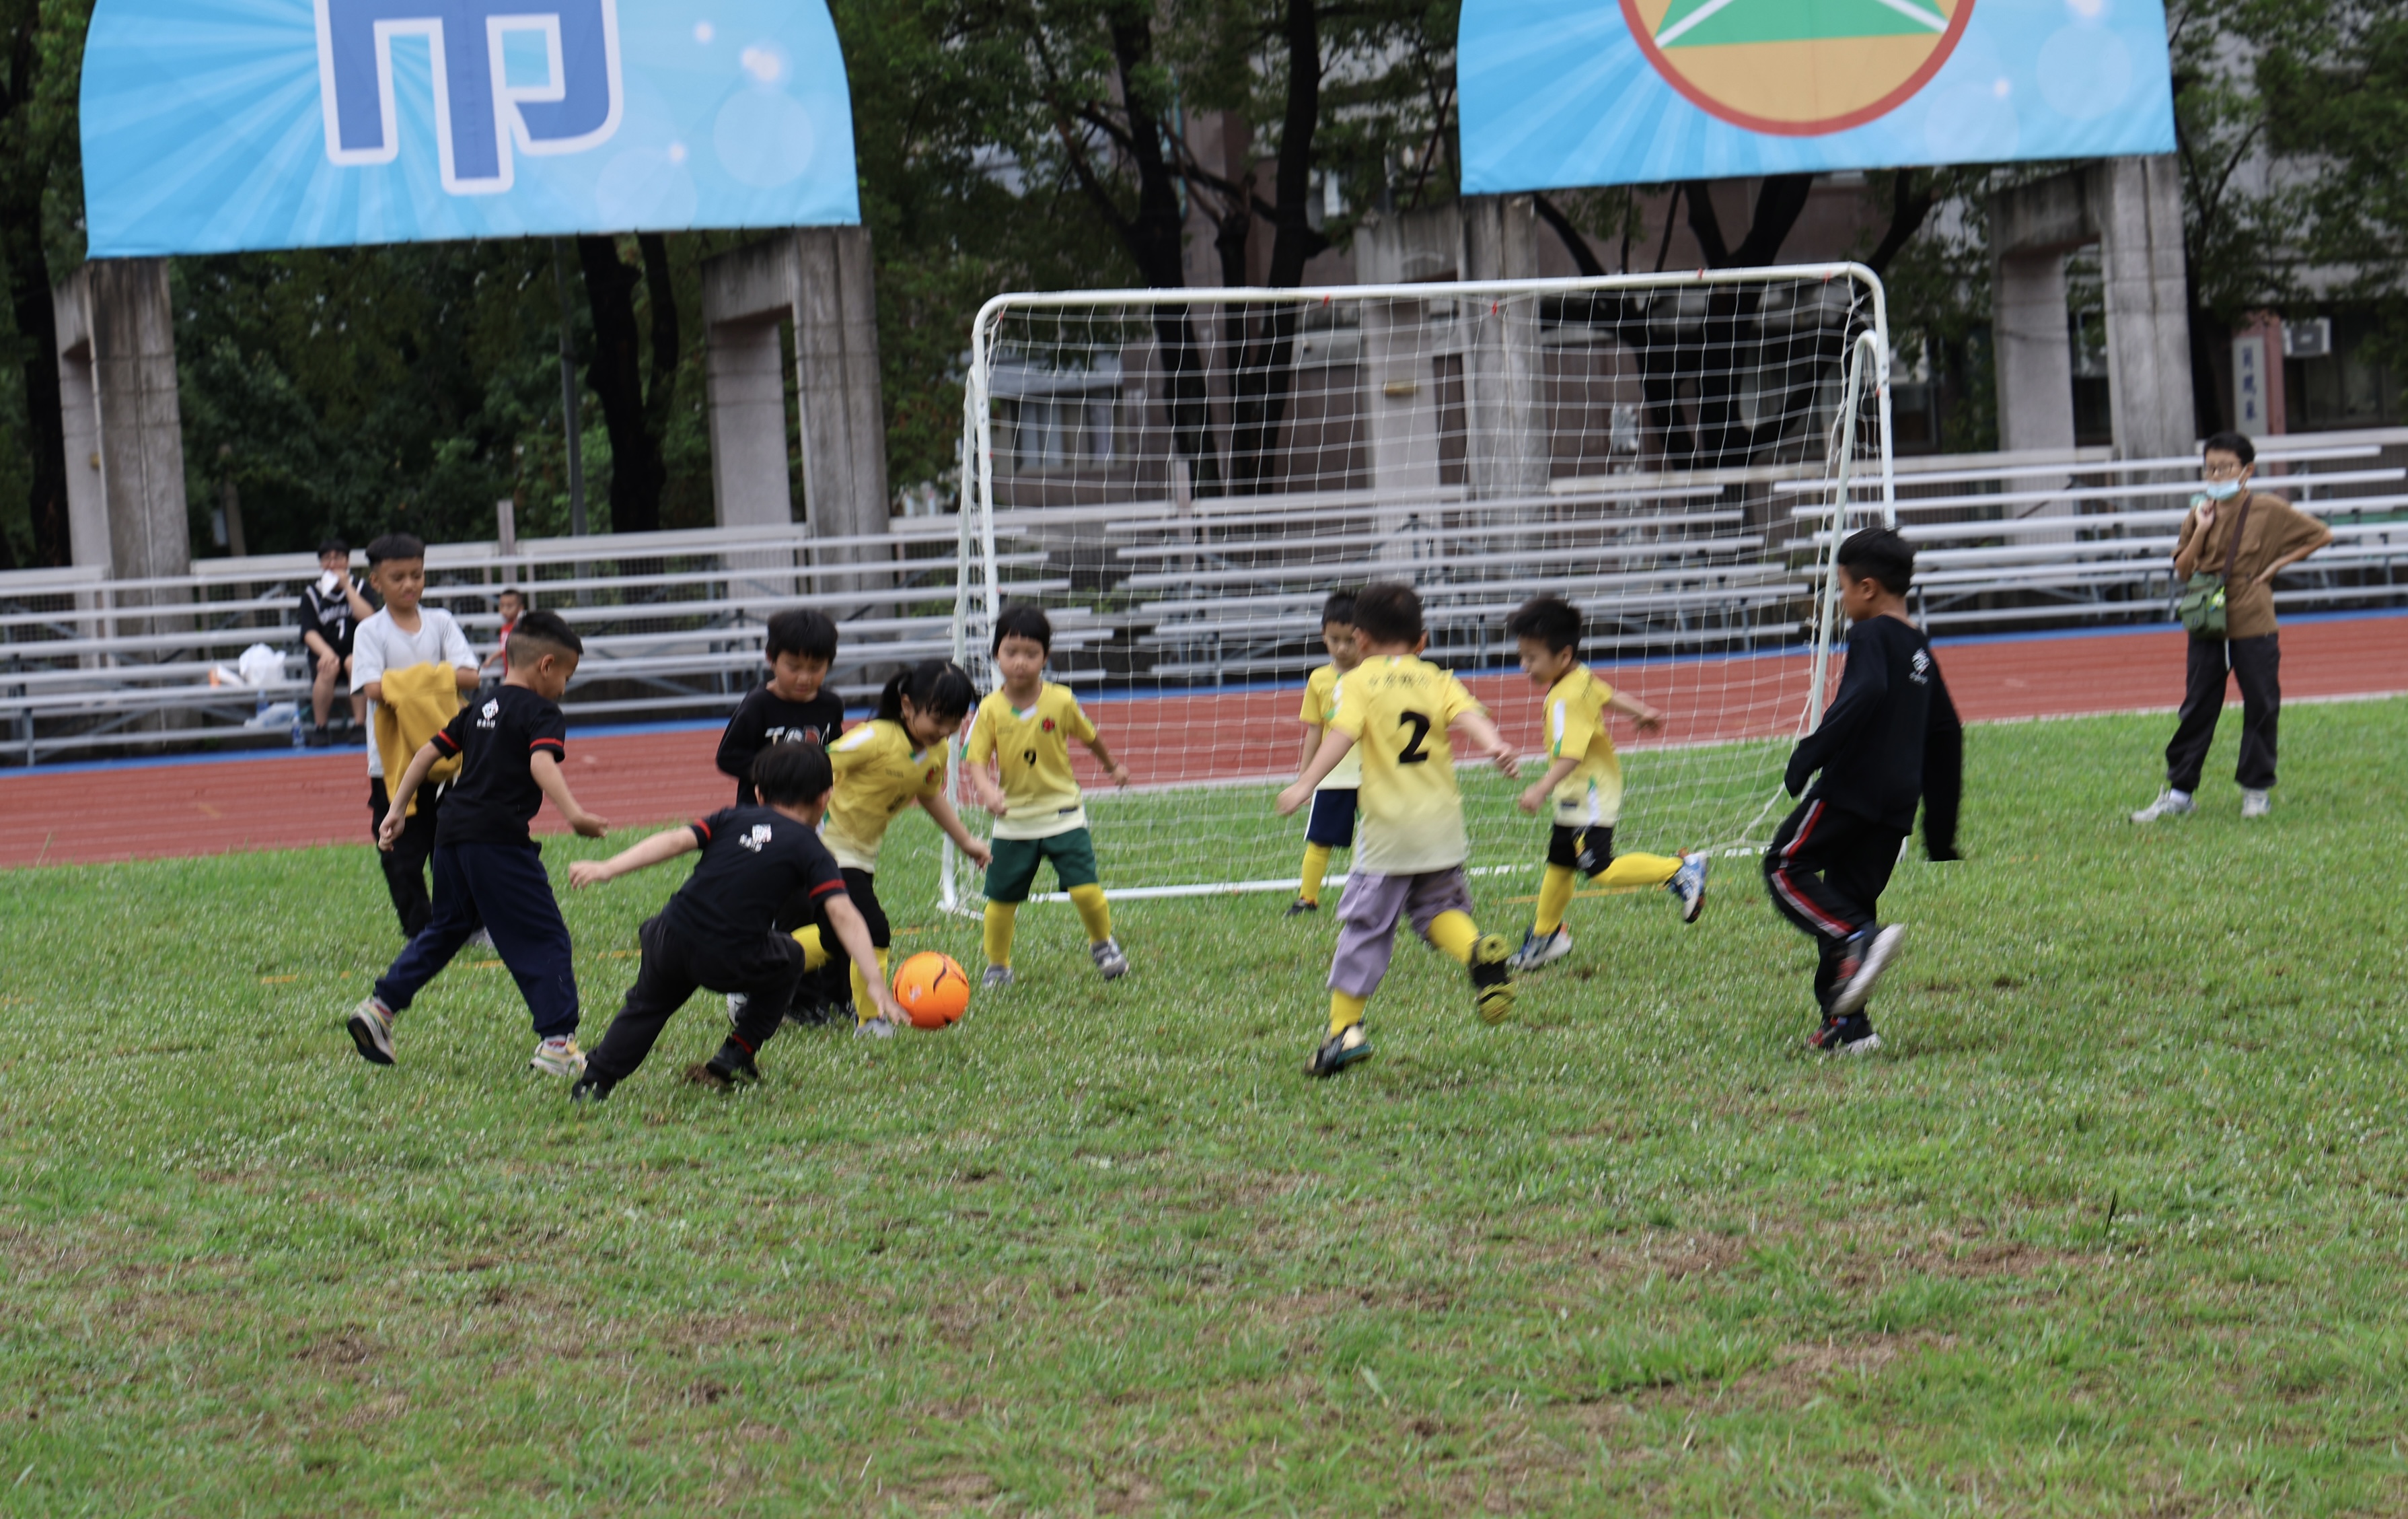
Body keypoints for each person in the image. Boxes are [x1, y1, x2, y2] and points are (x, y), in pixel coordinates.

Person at [565, 744, 911, 1104]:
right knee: (790, 955)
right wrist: (874, 981)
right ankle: (738, 1051)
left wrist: (606, 868)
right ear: (826, 798)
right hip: (728, 955)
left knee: (645, 1008)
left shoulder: (729, 818)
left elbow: (673, 841)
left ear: (759, 793)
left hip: (670, 935)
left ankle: (595, 1082)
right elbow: (844, 914)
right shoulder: (812, 848)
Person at [345, 612, 610, 1076]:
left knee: (447, 928)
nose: (564, 688)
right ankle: (557, 1044)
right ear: (546, 665)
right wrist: (575, 814)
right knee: (545, 935)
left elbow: (427, 752)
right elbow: (541, 765)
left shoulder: (479, 706)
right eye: (566, 676)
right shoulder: (541, 712)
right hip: (498, 842)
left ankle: (380, 1006)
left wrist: (395, 809)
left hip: (451, 836)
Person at [1274, 581, 1522, 1078]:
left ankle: (1344, 1031)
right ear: (1422, 641)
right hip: (1442, 826)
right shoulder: (1434, 677)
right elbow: (1469, 715)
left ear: (1360, 640)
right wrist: (1494, 745)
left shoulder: (1357, 682)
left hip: (1388, 832)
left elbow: (1340, 733)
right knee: (1439, 909)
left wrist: (1305, 782)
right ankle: (1475, 951)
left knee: (1366, 926)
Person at [1763, 528, 1963, 1056]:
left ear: (1868, 588)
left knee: (1784, 867)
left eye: (1842, 586)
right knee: (1849, 896)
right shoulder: (1919, 647)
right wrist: (1938, 831)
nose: (1841, 597)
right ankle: (1849, 1028)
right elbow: (1946, 733)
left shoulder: (1870, 635)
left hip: (1851, 788)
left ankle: (1857, 936)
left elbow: (1866, 690)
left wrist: (1810, 754)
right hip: (1895, 804)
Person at [2132, 431, 2334, 823]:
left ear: (2247, 471)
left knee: (2261, 702)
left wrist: (2275, 567)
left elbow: (2321, 534)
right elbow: (2183, 569)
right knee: (2198, 704)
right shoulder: (2198, 511)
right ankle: (2180, 793)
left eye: (2224, 467)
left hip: (2253, 617)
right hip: (2206, 616)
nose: (2215, 474)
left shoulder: (2270, 510)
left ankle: (2256, 792)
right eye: (2209, 467)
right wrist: (2203, 529)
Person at [1501, 596, 1708, 971]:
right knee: (1560, 864)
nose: (1523, 666)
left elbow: (1570, 756)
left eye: (1531, 658)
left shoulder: (1565, 698)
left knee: (1600, 868)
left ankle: (1680, 870)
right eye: (1523, 655)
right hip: (1578, 793)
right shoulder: (1578, 675)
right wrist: (1641, 710)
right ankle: (1546, 938)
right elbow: (1609, 695)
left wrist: (1539, 788)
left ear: (1562, 656)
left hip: (1589, 794)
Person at [797, 660, 992, 1026]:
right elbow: (815, 767)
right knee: (873, 930)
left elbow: (931, 796)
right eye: (939, 719)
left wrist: (966, 841)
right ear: (906, 706)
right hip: (828, 848)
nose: (947, 730)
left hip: (861, 855)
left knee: (835, 939)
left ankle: (758, 964)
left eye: (956, 722)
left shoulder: (937, 752)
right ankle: (872, 1021)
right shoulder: (874, 739)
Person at [962, 603, 1134, 990]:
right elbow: (975, 762)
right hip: (1014, 821)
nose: (1020, 662)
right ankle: (998, 965)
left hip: (1064, 814)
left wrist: (1112, 767)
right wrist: (988, 791)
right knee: (1000, 901)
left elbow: (1090, 738)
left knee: (1086, 889)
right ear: (995, 655)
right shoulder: (988, 709)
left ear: (1045, 657)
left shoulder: (1061, 700)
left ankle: (1103, 944)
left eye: (1030, 654)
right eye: (1011, 652)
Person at [351, 532, 480, 939]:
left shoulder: (441, 623)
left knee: (458, 845)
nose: (409, 585)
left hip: (448, 759)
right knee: (400, 853)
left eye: (417, 575)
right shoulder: (370, 631)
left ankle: (472, 924)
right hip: (392, 763)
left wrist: (406, 685)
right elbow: (373, 688)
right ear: (376, 583)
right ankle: (422, 932)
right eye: (397, 577)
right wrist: (439, 678)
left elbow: (471, 675)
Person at [717, 608, 845, 806]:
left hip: (811, 812)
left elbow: (835, 752)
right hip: (759, 812)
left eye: (816, 668)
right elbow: (728, 757)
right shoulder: (758, 705)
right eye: (793, 667)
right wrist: (777, 775)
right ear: (771, 659)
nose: (805, 678)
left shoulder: (831, 705)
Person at [1286, 590, 1362, 917]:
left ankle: (1366, 897)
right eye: (1335, 639)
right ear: (1323, 637)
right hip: (1334, 775)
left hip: (1375, 773)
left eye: (1350, 640)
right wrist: (1305, 778)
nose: (1342, 648)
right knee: (1321, 839)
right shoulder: (1319, 679)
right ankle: (1308, 898)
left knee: (1374, 840)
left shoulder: (1374, 675)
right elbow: (1315, 730)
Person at [297, 538, 373, 746]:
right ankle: (320, 728)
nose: (333, 563)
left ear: (347, 561)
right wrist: (326, 653)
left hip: (356, 651)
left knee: (353, 663)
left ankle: (360, 725)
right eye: (327, 559)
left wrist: (347, 587)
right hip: (325, 652)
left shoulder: (361, 588)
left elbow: (370, 619)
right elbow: (309, 632)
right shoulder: (312, 594)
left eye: (338, 558)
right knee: (328, 668)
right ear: (321, 564)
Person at [478, 588, 526, 682]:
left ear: (520, 608)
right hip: (509, 672)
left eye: (509, 606)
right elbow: (503, 648)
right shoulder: (504, 628)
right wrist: (491, 659)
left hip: (521, 673)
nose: (504, 610)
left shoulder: (521, 628)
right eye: (502, 606)